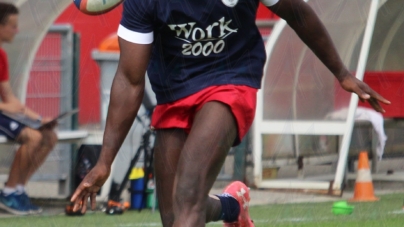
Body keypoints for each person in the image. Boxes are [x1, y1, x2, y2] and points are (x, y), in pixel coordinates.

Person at [71, 0, 390, 226]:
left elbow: (297, 11)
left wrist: (342, 73)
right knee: (173, 216)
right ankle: (232, 207)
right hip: (174, 97)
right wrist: (104, 161)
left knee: (187, 199)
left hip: (230, 82)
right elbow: (129, 79)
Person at [0, 3, 57, 215]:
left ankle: (18, 189)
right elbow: (9, 104)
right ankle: (8, 192)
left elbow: (10, 98)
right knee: (33, 138)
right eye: (12, 26)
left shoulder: (2, 56)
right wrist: (8, 106)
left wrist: (40, 119)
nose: (17, 31)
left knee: (49, 135)